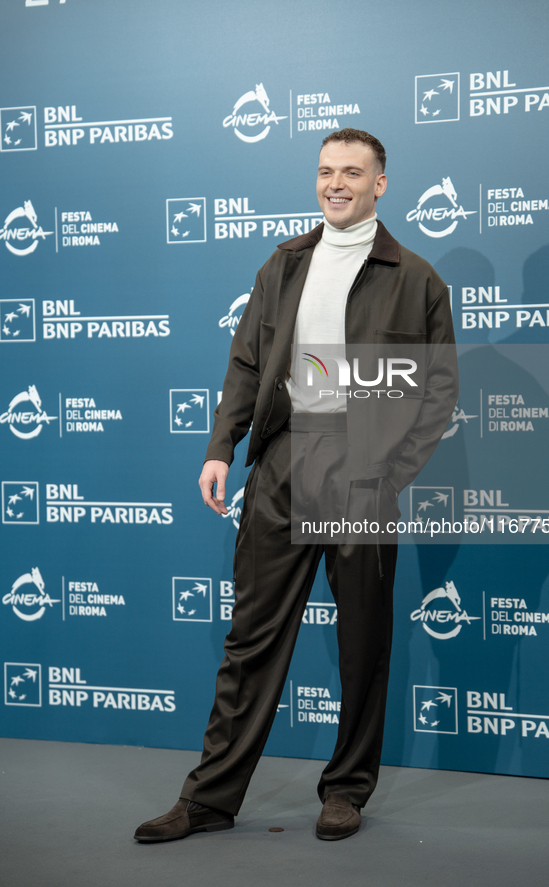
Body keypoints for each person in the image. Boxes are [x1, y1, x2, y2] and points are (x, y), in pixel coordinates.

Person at [135, 129, 457, 844]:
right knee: (250, 639)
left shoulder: (416, 277)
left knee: (361, 642)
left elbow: (438, 394)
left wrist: (388, 471)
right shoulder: (284, 262)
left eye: (352, 171)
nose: (335, 183)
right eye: (324, 171)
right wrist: (222, 446)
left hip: (363, 474)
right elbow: (246, 362)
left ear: (380, 184)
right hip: (282, 466)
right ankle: (210, 798)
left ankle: (344, 789)